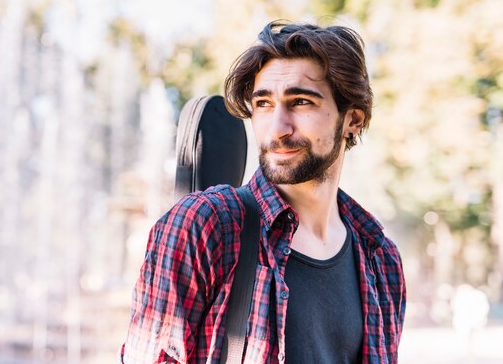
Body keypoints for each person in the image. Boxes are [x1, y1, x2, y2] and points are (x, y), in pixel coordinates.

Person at [120, 21, 406, 363]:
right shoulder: (208, 226)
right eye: (264, 104)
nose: (277, 128)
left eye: (300, 102)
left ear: (353, 120)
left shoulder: (380, 260)